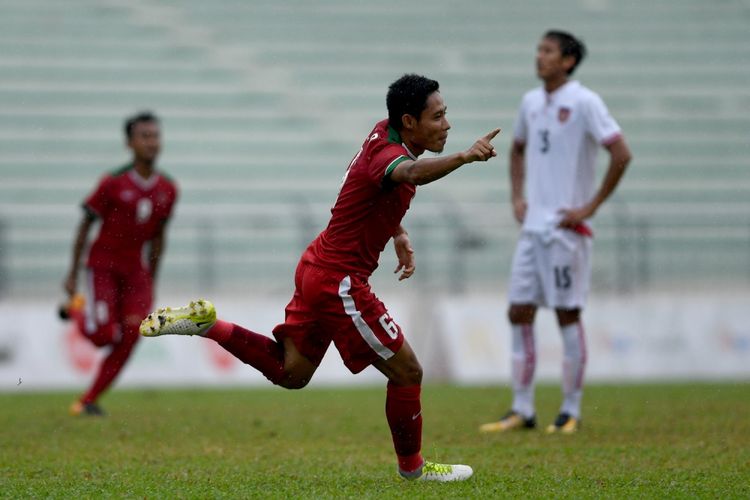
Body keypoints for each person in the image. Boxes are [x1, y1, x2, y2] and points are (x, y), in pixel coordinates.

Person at [140, 74, 499, 481]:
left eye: (446, 115)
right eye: (438, 116)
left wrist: (395, 231)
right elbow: (409, 175)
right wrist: (466, 157)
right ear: (409, 121)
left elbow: (367, 189)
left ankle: (209, 325)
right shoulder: (391, 155)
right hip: (339, 281)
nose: (447, 124)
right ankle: (413, 469)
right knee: (408, 371)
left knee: (291, 373)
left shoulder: (383, 134)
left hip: (317, 265)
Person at [479, 31, 632, 435]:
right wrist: (517, 197)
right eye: (539, 50)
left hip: (568, 229)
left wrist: (590, 206)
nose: (540, 56)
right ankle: (522, 409)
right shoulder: (531, 102)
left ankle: (570, 410)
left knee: (567, 313)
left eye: (548, 51)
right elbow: (516, 149)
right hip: (533, 228)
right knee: (518, 311)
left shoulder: (584, 101)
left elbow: (621, 152)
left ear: (568, 60)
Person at [61, 111, 178, 416]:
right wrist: (73, 274)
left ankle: (88, 400)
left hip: (135, 272)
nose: (152, 143)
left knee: (132, 335)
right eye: (144, 136)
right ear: (129, 143)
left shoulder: (168, 188)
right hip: (103, 267)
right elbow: (85, 224)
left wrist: (151, 280)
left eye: (155, 136)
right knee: (104, 337)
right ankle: (75, 308)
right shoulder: (112, 182)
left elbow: (159, 238)